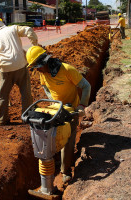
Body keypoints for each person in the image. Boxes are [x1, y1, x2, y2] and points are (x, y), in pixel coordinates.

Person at [26, 46, 91, 184]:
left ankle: (65, 171)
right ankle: (53, 160)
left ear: (45, 62)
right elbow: (45, 86)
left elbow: (86, 86)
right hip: (56, 108)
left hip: (71, 108)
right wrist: (54, 102)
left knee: (67, 139)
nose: (37, 70)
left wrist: (81, 106)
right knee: (48, 134)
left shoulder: (67, 70)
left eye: (38, 66)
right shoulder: (42, 73)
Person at [0, 16, 38, 126]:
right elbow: (29, 30)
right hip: (21, 65)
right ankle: (27, 117)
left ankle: (2, 120)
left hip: (4, 69)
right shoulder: (12, 29)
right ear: (2, 23)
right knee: (26, 93)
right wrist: (35, 46)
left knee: (2, 96)